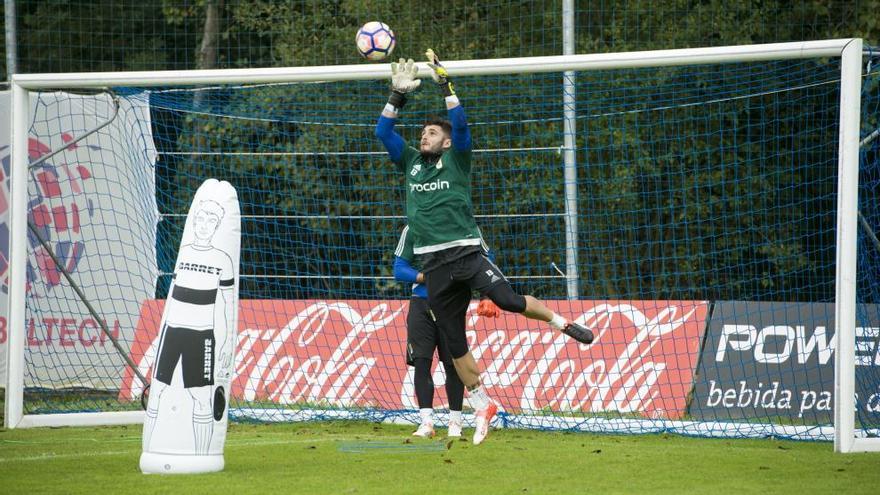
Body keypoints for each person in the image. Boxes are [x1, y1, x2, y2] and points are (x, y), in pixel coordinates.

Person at [375, 50, 594, 445]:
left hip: (467, 256)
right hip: (435, 265)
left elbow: (460, 125)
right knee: (454, 344)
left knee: (509, 301)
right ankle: (483, 404)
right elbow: (382, 133)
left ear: (444, 144)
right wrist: (397, 95)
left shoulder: (457, 159)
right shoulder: (408, 162)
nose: (424, 136)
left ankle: (561, 323)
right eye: (422, 132)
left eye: (431, 133)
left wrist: (445, 85)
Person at [394, 225, 501, 438]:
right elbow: (399, 269)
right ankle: (426, 423)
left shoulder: (466, 225)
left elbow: (486, 258)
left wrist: (486, 294)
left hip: (451, 303)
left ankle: (455, 423)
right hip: (421, 304)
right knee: (421, 362)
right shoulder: (413, 227)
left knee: (453, 364)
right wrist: (426, 278)